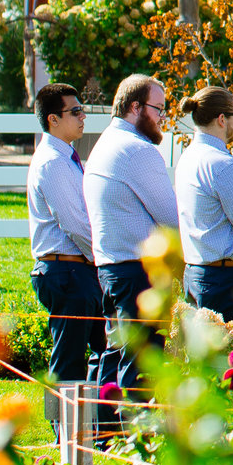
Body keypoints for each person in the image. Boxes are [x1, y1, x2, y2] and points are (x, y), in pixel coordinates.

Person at [83, 73, 178, 423]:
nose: (162, 119)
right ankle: (134, 441)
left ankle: (103, 437)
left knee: (115, 354)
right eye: (158, 109)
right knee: (139, 361)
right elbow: (171, 217)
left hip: (109, 268)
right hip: (137, 272)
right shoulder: (137, 150)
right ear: (135, 107)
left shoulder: (104, 144)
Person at [25, 81, 97, 424]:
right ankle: (62, 432)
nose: (83, 117)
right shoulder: (53, 162)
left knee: (100, 347)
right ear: (53, 119)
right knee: (69, 357)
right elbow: (75, 224)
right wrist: (103, 259)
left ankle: (94, 427)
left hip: (75, 269)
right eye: (76, 111)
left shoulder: (65, 157)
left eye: (83, 110)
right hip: (65, 271)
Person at [173, 86, 233, 321]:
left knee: (200, 355)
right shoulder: (224, 165)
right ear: (221, 119)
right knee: (232, 355)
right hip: (225, 279)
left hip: (195, 272)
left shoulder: (186, 159)